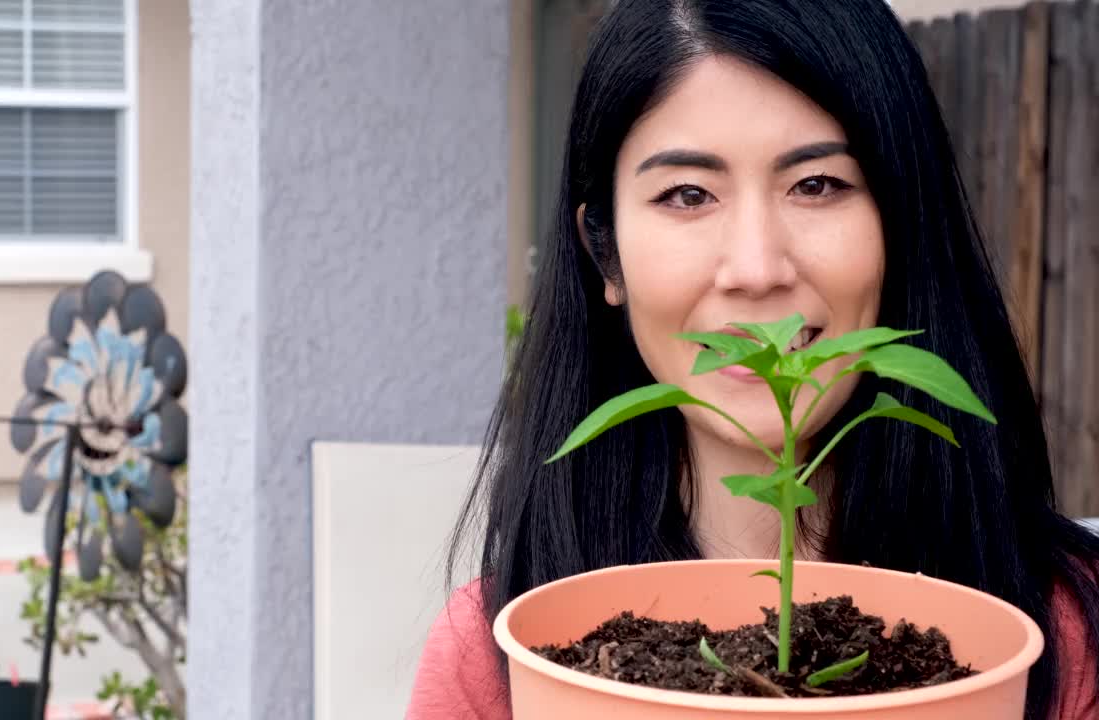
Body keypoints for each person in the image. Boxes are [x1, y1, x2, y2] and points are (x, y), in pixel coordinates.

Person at [405, 1, 1099, 718]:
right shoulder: (505, 658)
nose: (757, 267)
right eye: (687, 194)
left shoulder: (1066, 633)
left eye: (818, 184)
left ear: (902, 226)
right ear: (603, 254)